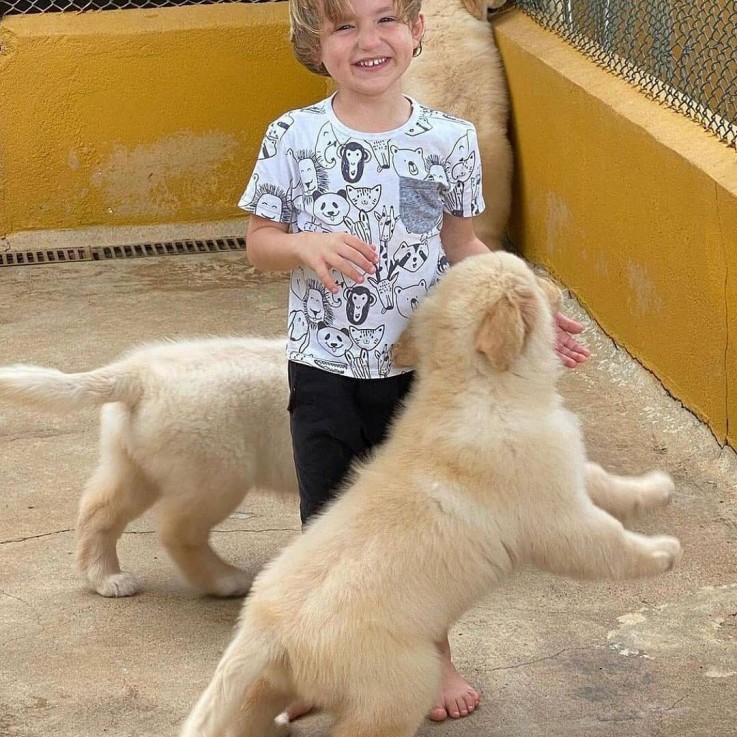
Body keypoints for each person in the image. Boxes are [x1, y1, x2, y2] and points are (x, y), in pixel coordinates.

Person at [239, 0, 588, 723]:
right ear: (314, 44)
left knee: (423, 533)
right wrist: (302, 245)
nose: (368, 41)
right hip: (324, 368)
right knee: (332, 525)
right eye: (343, 27)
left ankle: (435, 655)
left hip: (420, 374)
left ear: (418, 32)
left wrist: (530, 310)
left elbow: (461, 244)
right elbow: (259, 241)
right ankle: (323, 663)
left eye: (385, 21)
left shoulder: (447, 140)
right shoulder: (292, 136)